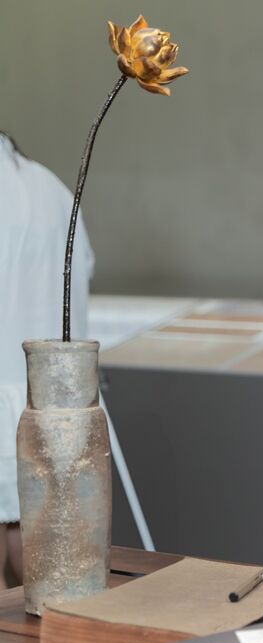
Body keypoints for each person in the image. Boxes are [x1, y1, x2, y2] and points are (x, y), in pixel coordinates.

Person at [0, 131, 95, 588]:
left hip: (15, 392)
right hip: (54, 401)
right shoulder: (50, 187)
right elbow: (84, 269)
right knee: (40, 550)